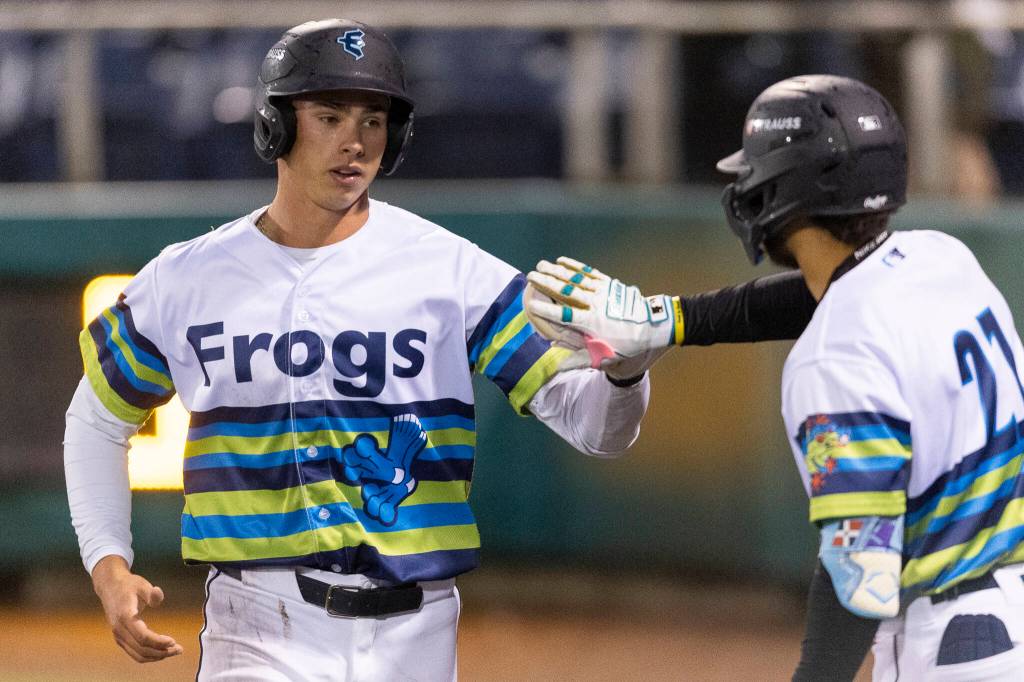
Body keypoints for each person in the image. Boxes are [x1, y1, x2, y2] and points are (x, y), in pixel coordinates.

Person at [63, 19, 662, 680]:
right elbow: (96, 418)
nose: (354, 143)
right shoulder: (187, 278)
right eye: (328, 116)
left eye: (373, 121)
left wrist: (625, 372)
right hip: (258, 624)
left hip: (418, 633)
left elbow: (593, 427)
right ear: (275, 126)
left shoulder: (454, 272)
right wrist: (106, 562)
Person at [526, 75, 1024, 680]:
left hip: (955, 651)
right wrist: (668, 320)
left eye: (758, 175)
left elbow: (860, 575)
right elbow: (819, 297)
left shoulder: (833, 356)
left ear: (789, 189)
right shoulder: (939, 256)